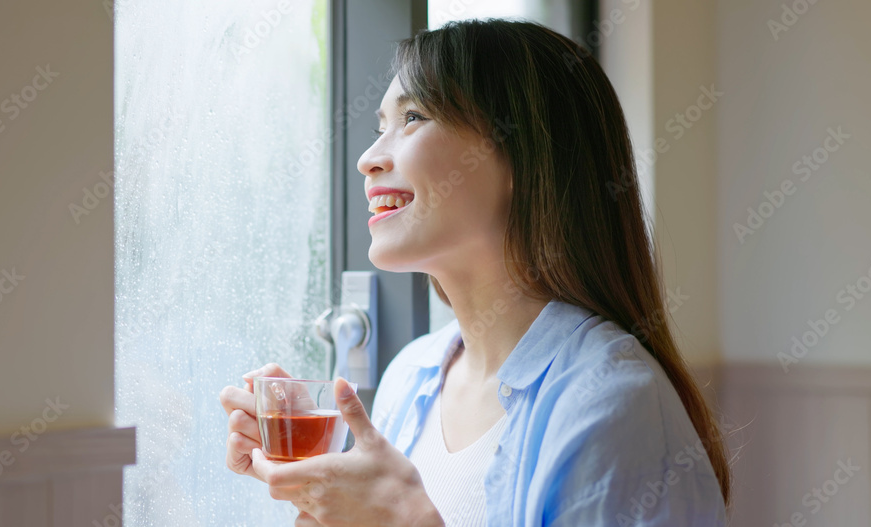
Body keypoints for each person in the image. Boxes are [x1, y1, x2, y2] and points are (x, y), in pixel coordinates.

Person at [221, 18, 730, 526]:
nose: (368, 159)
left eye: (414, 117)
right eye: (380, 129)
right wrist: (320, 486)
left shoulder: (614, 405)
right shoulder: (410, 376)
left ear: (520, 155)